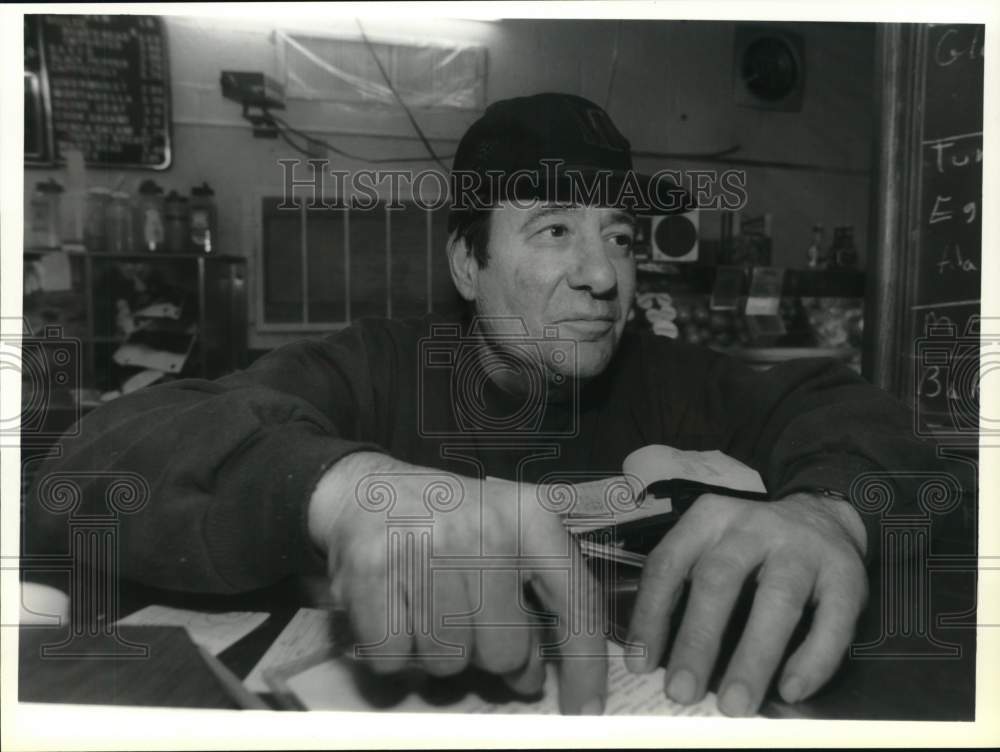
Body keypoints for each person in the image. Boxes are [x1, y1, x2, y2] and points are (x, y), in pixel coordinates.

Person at [28, 93, 944, 717]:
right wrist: (342, 489)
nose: (601, 276)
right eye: (554, 230)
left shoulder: (673, 379)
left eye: (619, 237)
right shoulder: (376, 371)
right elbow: (102, 454)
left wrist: (831, 511)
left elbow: (846, 410)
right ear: (468, 264)